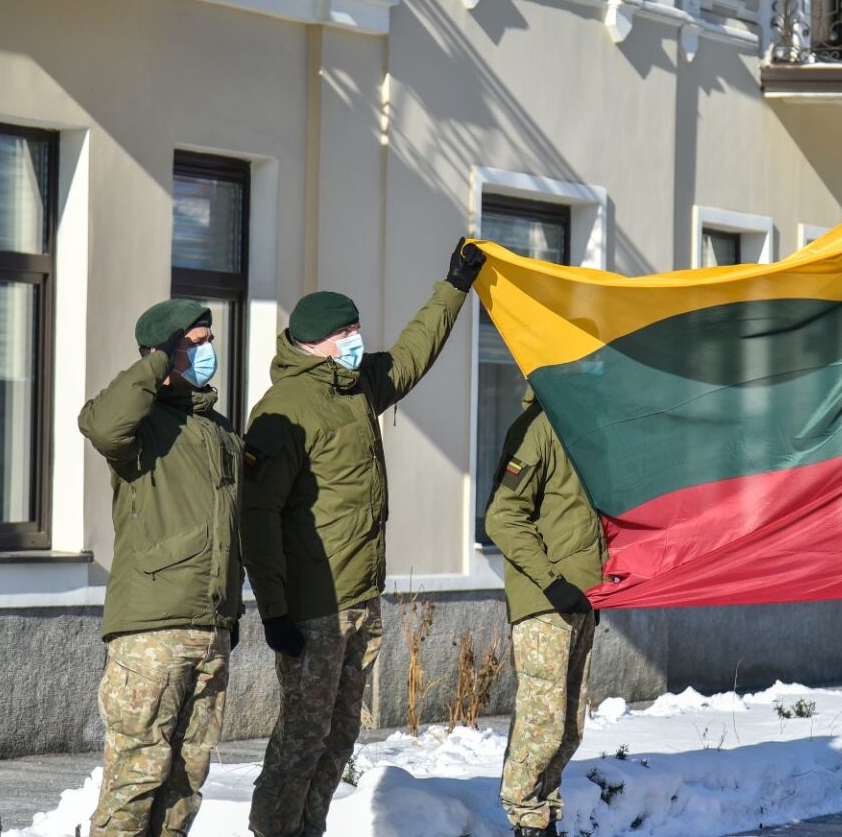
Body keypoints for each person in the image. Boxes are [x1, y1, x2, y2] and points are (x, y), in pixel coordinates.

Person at [242, 239, 484, 837]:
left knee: (340, 733)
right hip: (313, 609)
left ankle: (307, 829)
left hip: (359, 599)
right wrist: (275, 611)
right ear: (314, 343)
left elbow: (410, 354)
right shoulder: (285, 410)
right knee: (302, 735)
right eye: (346, 332)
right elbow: (256, 518)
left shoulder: (356, 386)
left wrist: (454, 287)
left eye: (357, 329)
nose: (356, 340)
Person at [77, 299, 243, 837]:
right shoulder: (143, 426)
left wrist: (232, 614)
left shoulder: (216, 429)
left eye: (207, 340)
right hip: (151, 631)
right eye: (191, 344)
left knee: (185, 784)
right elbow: (101, 425)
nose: (206, 351)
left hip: (210, 626)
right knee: (136, 778)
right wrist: (157, 364)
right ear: (162, 353)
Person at [484, 387, 606, 837]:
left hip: (582, 599)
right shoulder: (538, 428)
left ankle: (545, 812)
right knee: (543, 719)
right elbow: (501, 516)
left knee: (570, 724)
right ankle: (526, 816)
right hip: (546, 599)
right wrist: (553, 582)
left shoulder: (585, 429)